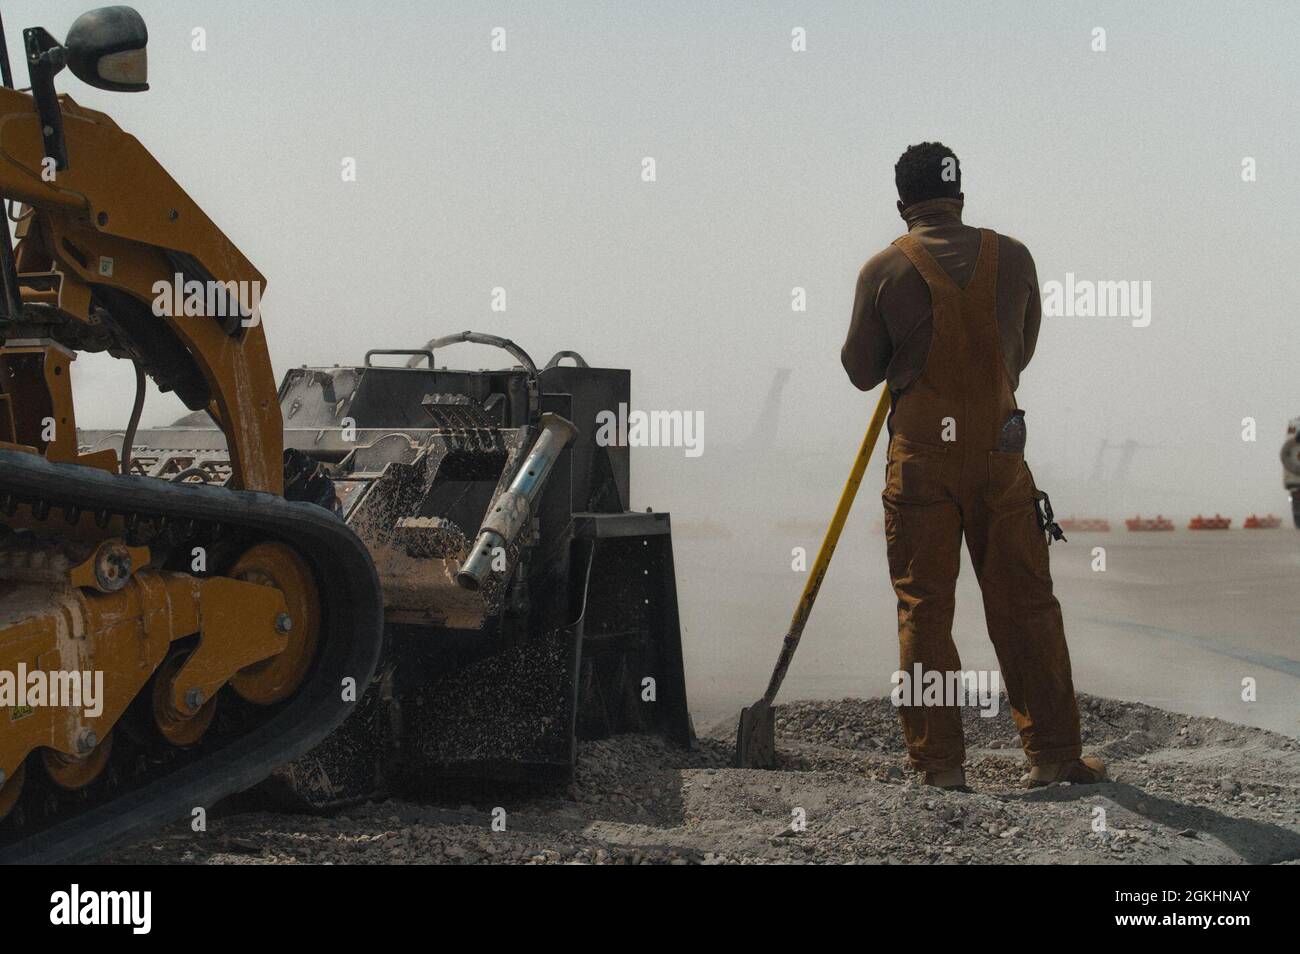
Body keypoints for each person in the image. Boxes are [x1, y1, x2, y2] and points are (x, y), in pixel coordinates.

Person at [841, 142, 1106, 790]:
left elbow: (858, 370)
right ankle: (1054, 756)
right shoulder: (1013, 258)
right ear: (960, 195)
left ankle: (939, 768)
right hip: (1000, 452)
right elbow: (1022, 348)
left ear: (902, 202)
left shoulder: (885, 269)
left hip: (921, 465)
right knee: (1026, 604)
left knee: (924, 612)